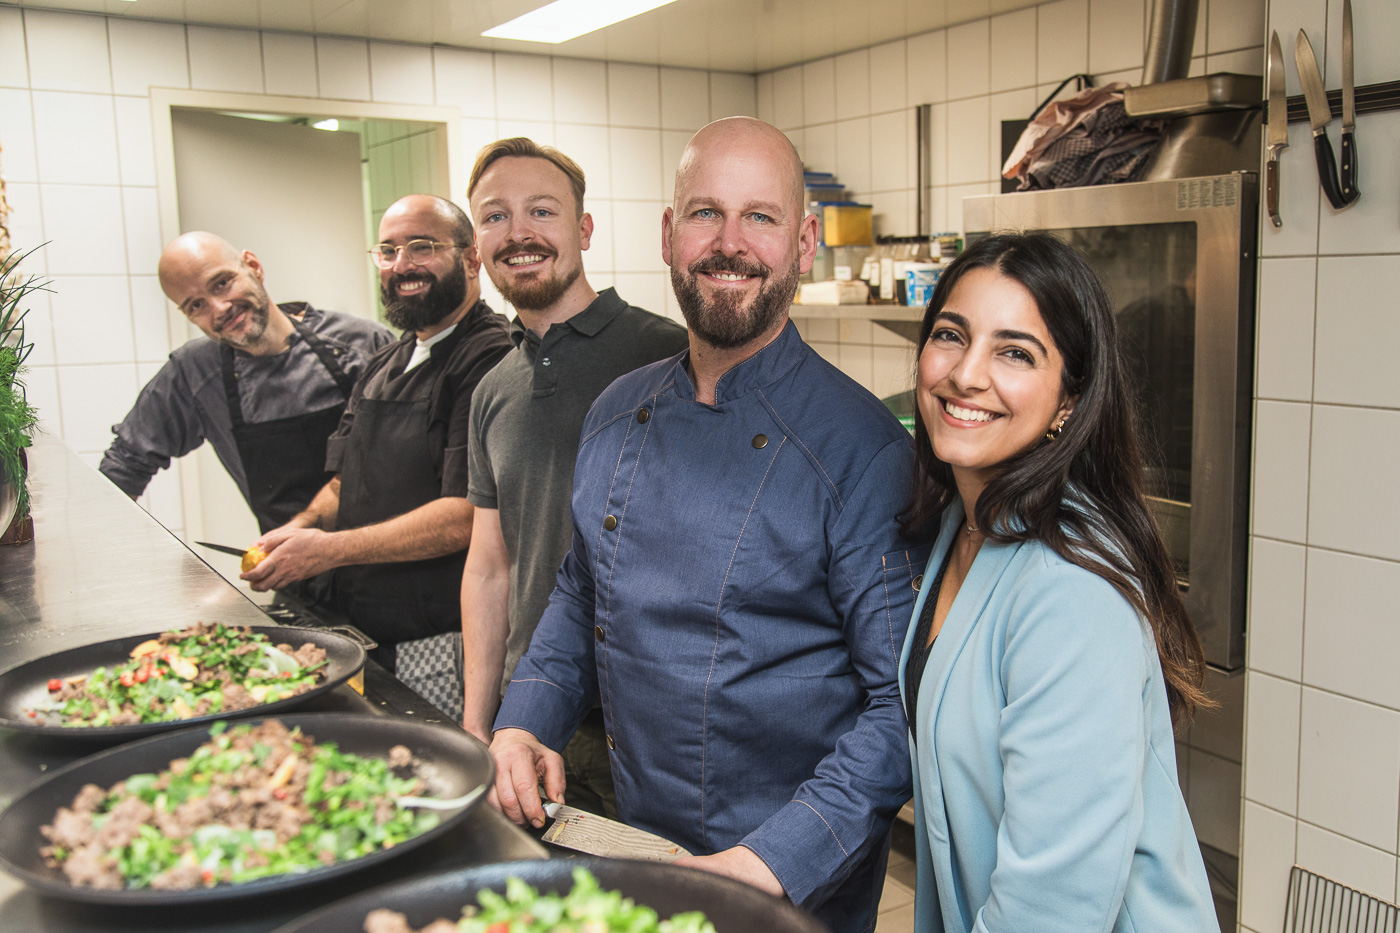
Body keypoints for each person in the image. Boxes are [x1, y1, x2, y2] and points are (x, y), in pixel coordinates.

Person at [488, 117, 924, 933]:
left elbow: (899, 707)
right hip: (632, 841)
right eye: (704, 213)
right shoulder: (618, 410)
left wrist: (767, 865)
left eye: (759, 216)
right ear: (667, 234)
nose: (730, 243)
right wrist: (521, 722)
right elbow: (581, 594)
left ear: (803, 242)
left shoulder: (862, 450)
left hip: (787, 878)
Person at [897, 232, 1217, 932]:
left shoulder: (1069, 585)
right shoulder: (965, 522)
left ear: (1069, 400)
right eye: (952, 335)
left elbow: (1053, 907)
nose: (967, 374)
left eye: (1014, 351)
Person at [461, 138, 688, 814]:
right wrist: (481, 717)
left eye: (542, 211)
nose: (519, 233)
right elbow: (489, 563)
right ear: (477, 242)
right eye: (495, 217)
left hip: (647, 723)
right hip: (535, 721)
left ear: (583, 229)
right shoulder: (492, 389)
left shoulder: (666, 354)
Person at [243, 196, 513, 697]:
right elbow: (344, 480)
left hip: (442, 639)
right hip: (362, 632)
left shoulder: (492, 358)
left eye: (422, 246)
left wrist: (328, 551)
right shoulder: (385, 360)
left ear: (472, 258)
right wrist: (299, 529)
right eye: (387, 251)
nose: (402, 265)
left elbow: (466, 514)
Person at [99, 232, 393, 534]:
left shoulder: (363, 343)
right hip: (297, 573)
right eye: (197, 305)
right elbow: (125, 465)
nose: (219, 308)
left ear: (253, 266)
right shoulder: (195, 373)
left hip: (390, 559)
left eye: (222, 283)